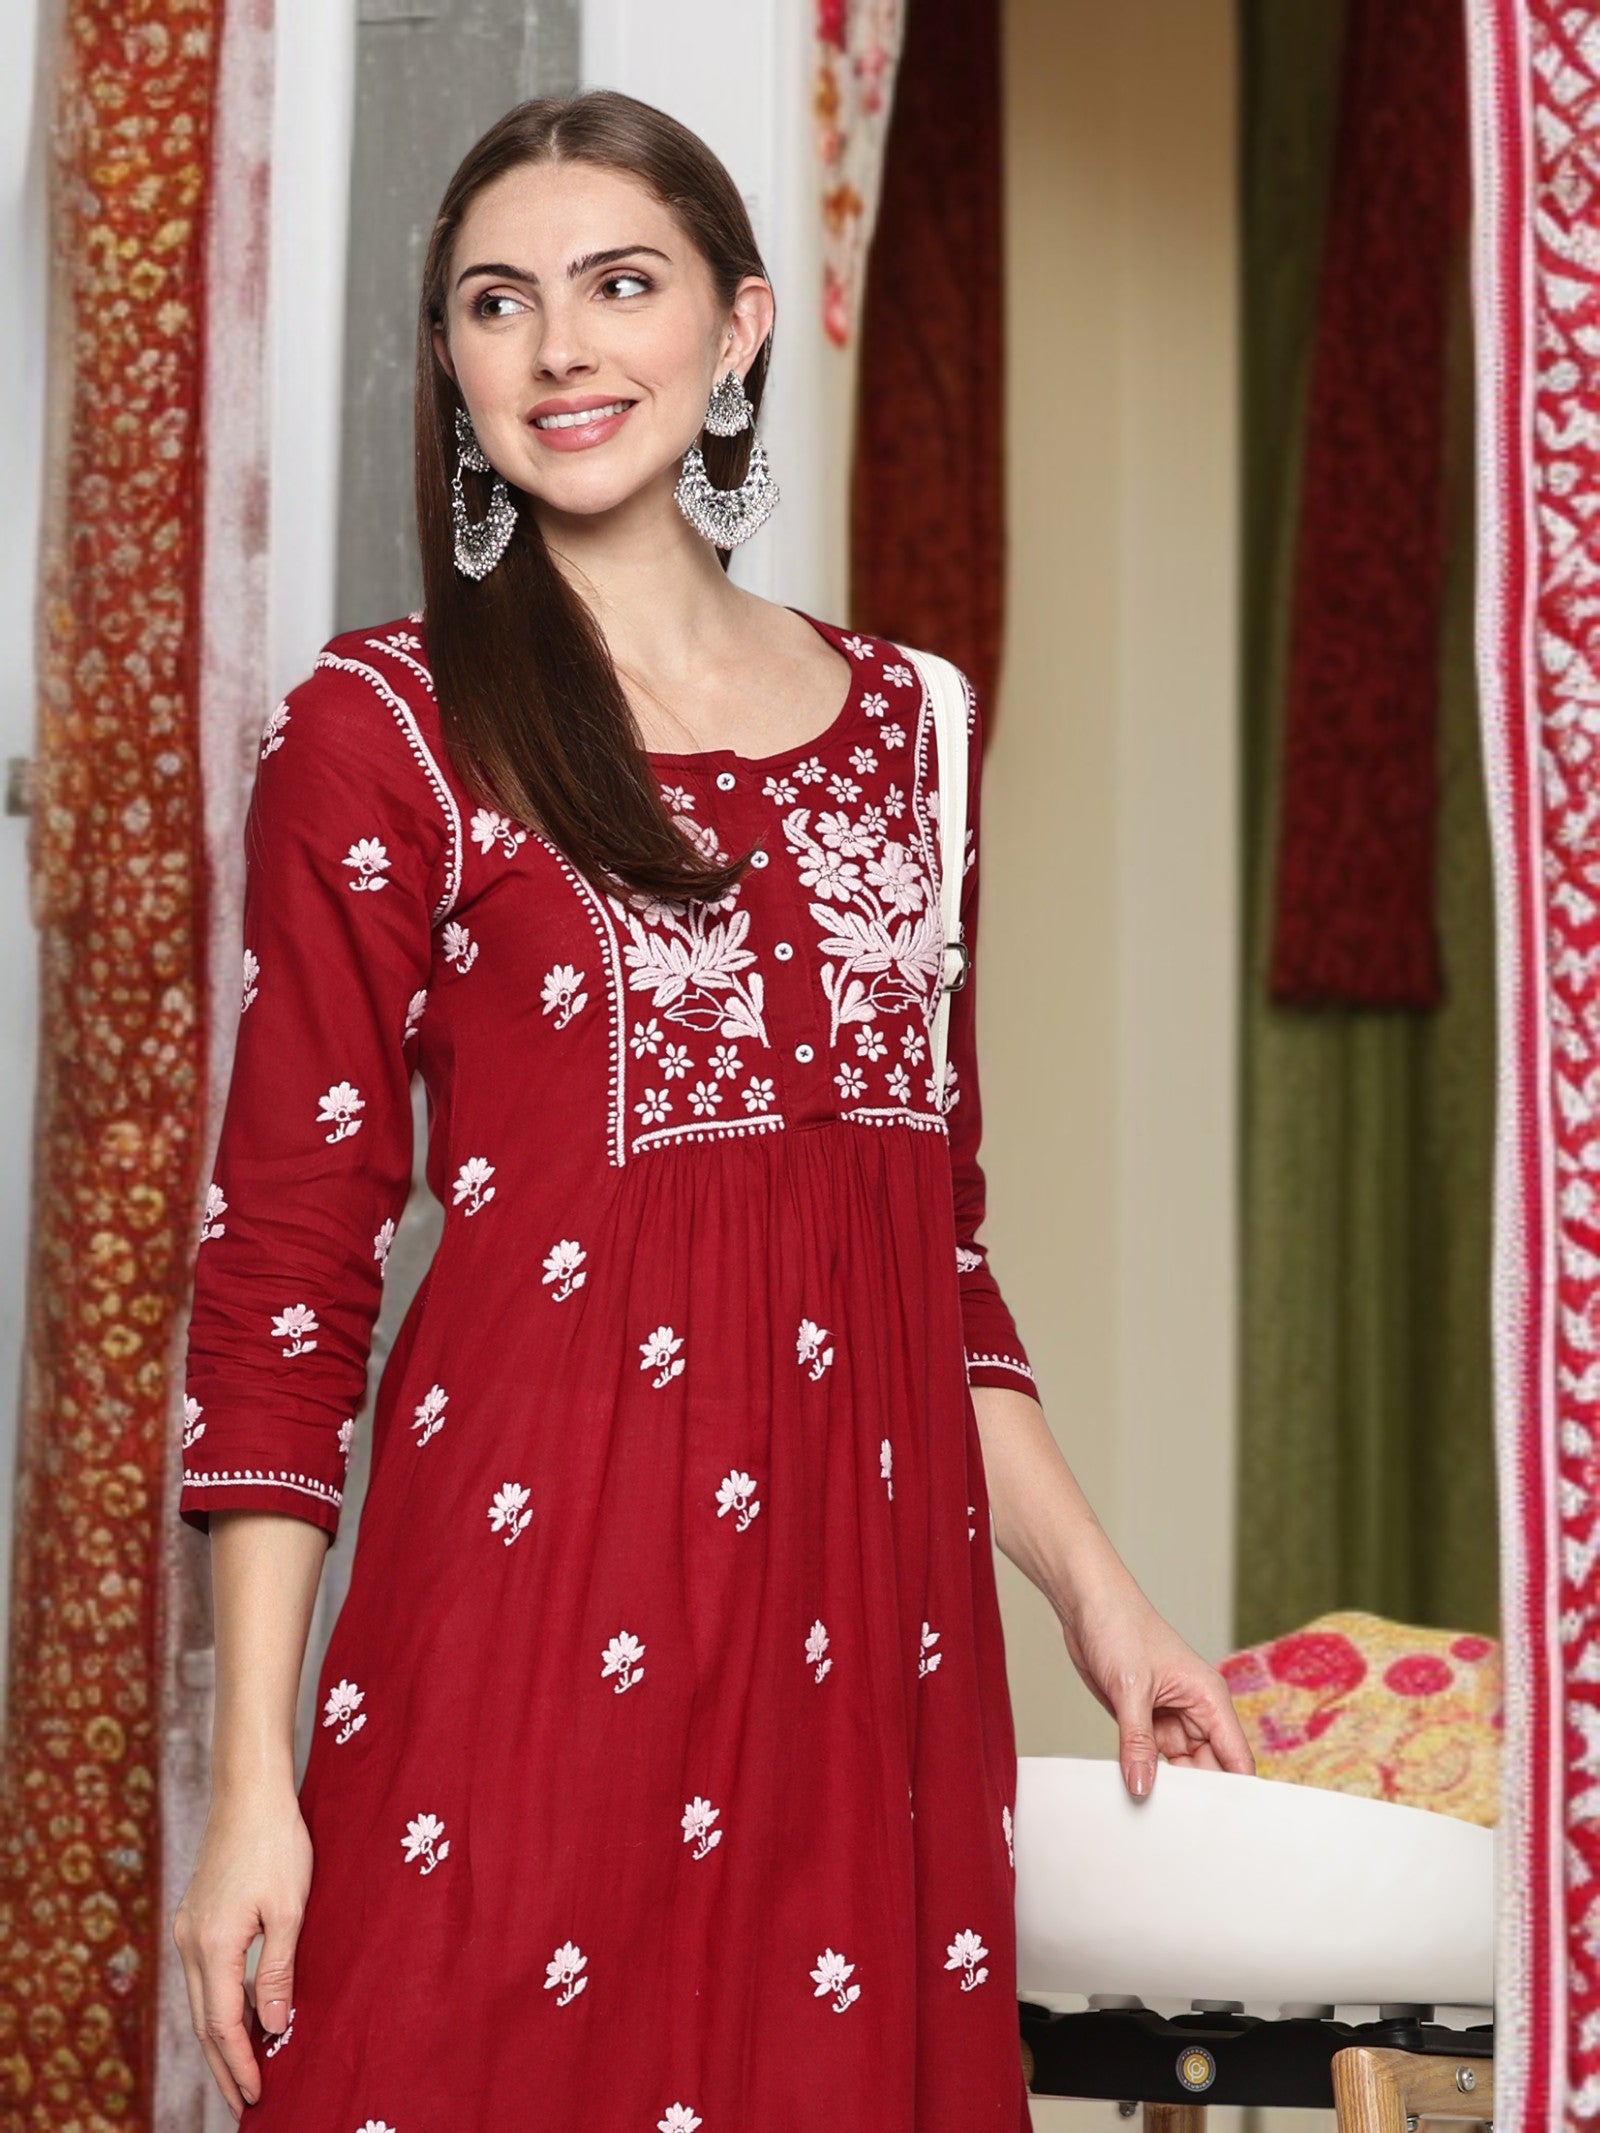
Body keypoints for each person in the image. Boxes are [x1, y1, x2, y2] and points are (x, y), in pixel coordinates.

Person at [170, 87, 1253, 2133]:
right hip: (522, 1606)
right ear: (453, 362)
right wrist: (255, 1788)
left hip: (863, 1644)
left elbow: (926, 1229)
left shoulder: (909, 725)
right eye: (496, 303)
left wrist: (1097, 1597)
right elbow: (287, 1272)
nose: (559, 347)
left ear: (740, 324)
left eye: (618, 284)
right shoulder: (385, 727)